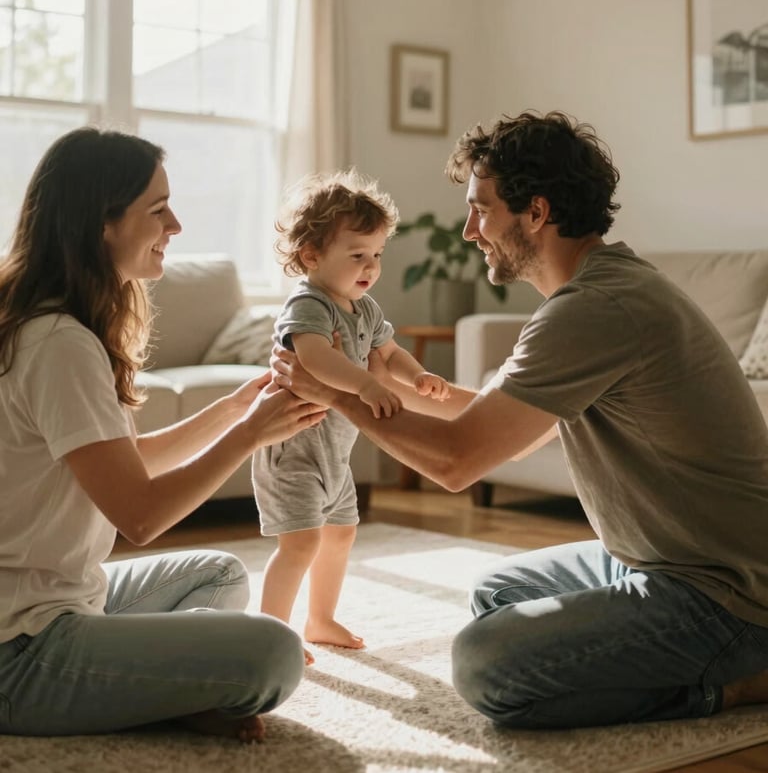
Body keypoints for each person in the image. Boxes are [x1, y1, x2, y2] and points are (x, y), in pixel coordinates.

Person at [272, 111, 768, 729]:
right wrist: (402, 386)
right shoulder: (595, 293)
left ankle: (737, 684)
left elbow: (458, 461)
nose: (468, 231)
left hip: (729, 596)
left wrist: (340, 393)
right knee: (498, 594)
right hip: (652, 559)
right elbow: (487, 420)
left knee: (487, 665)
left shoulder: (596, 309)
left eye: (481, 209)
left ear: (535, 212)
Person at [0, 126, 328, 742]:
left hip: (63, 603)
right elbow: (140, 514)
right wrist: (249, 436)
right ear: (102, 223)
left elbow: (120, 463)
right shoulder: (58, 344)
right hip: (20, 653)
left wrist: (232, 410)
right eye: (157, 210)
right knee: (274, 651)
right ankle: (161, 687)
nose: (174, 225)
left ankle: (155, 686)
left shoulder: (55, 325)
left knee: (221, 575)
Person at [253, 169, 450, 659]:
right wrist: (364, 385)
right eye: (358, 255)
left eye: (378, 254)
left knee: (340, 535)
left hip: (334, 454)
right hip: (294, 451)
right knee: (299, 545)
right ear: (311, 255)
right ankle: (270, 635)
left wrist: (418, 375)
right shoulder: (308, 304)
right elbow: (317, 359)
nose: (371, 266)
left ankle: (319, 619)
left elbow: (389, 352)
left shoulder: (363, 308)